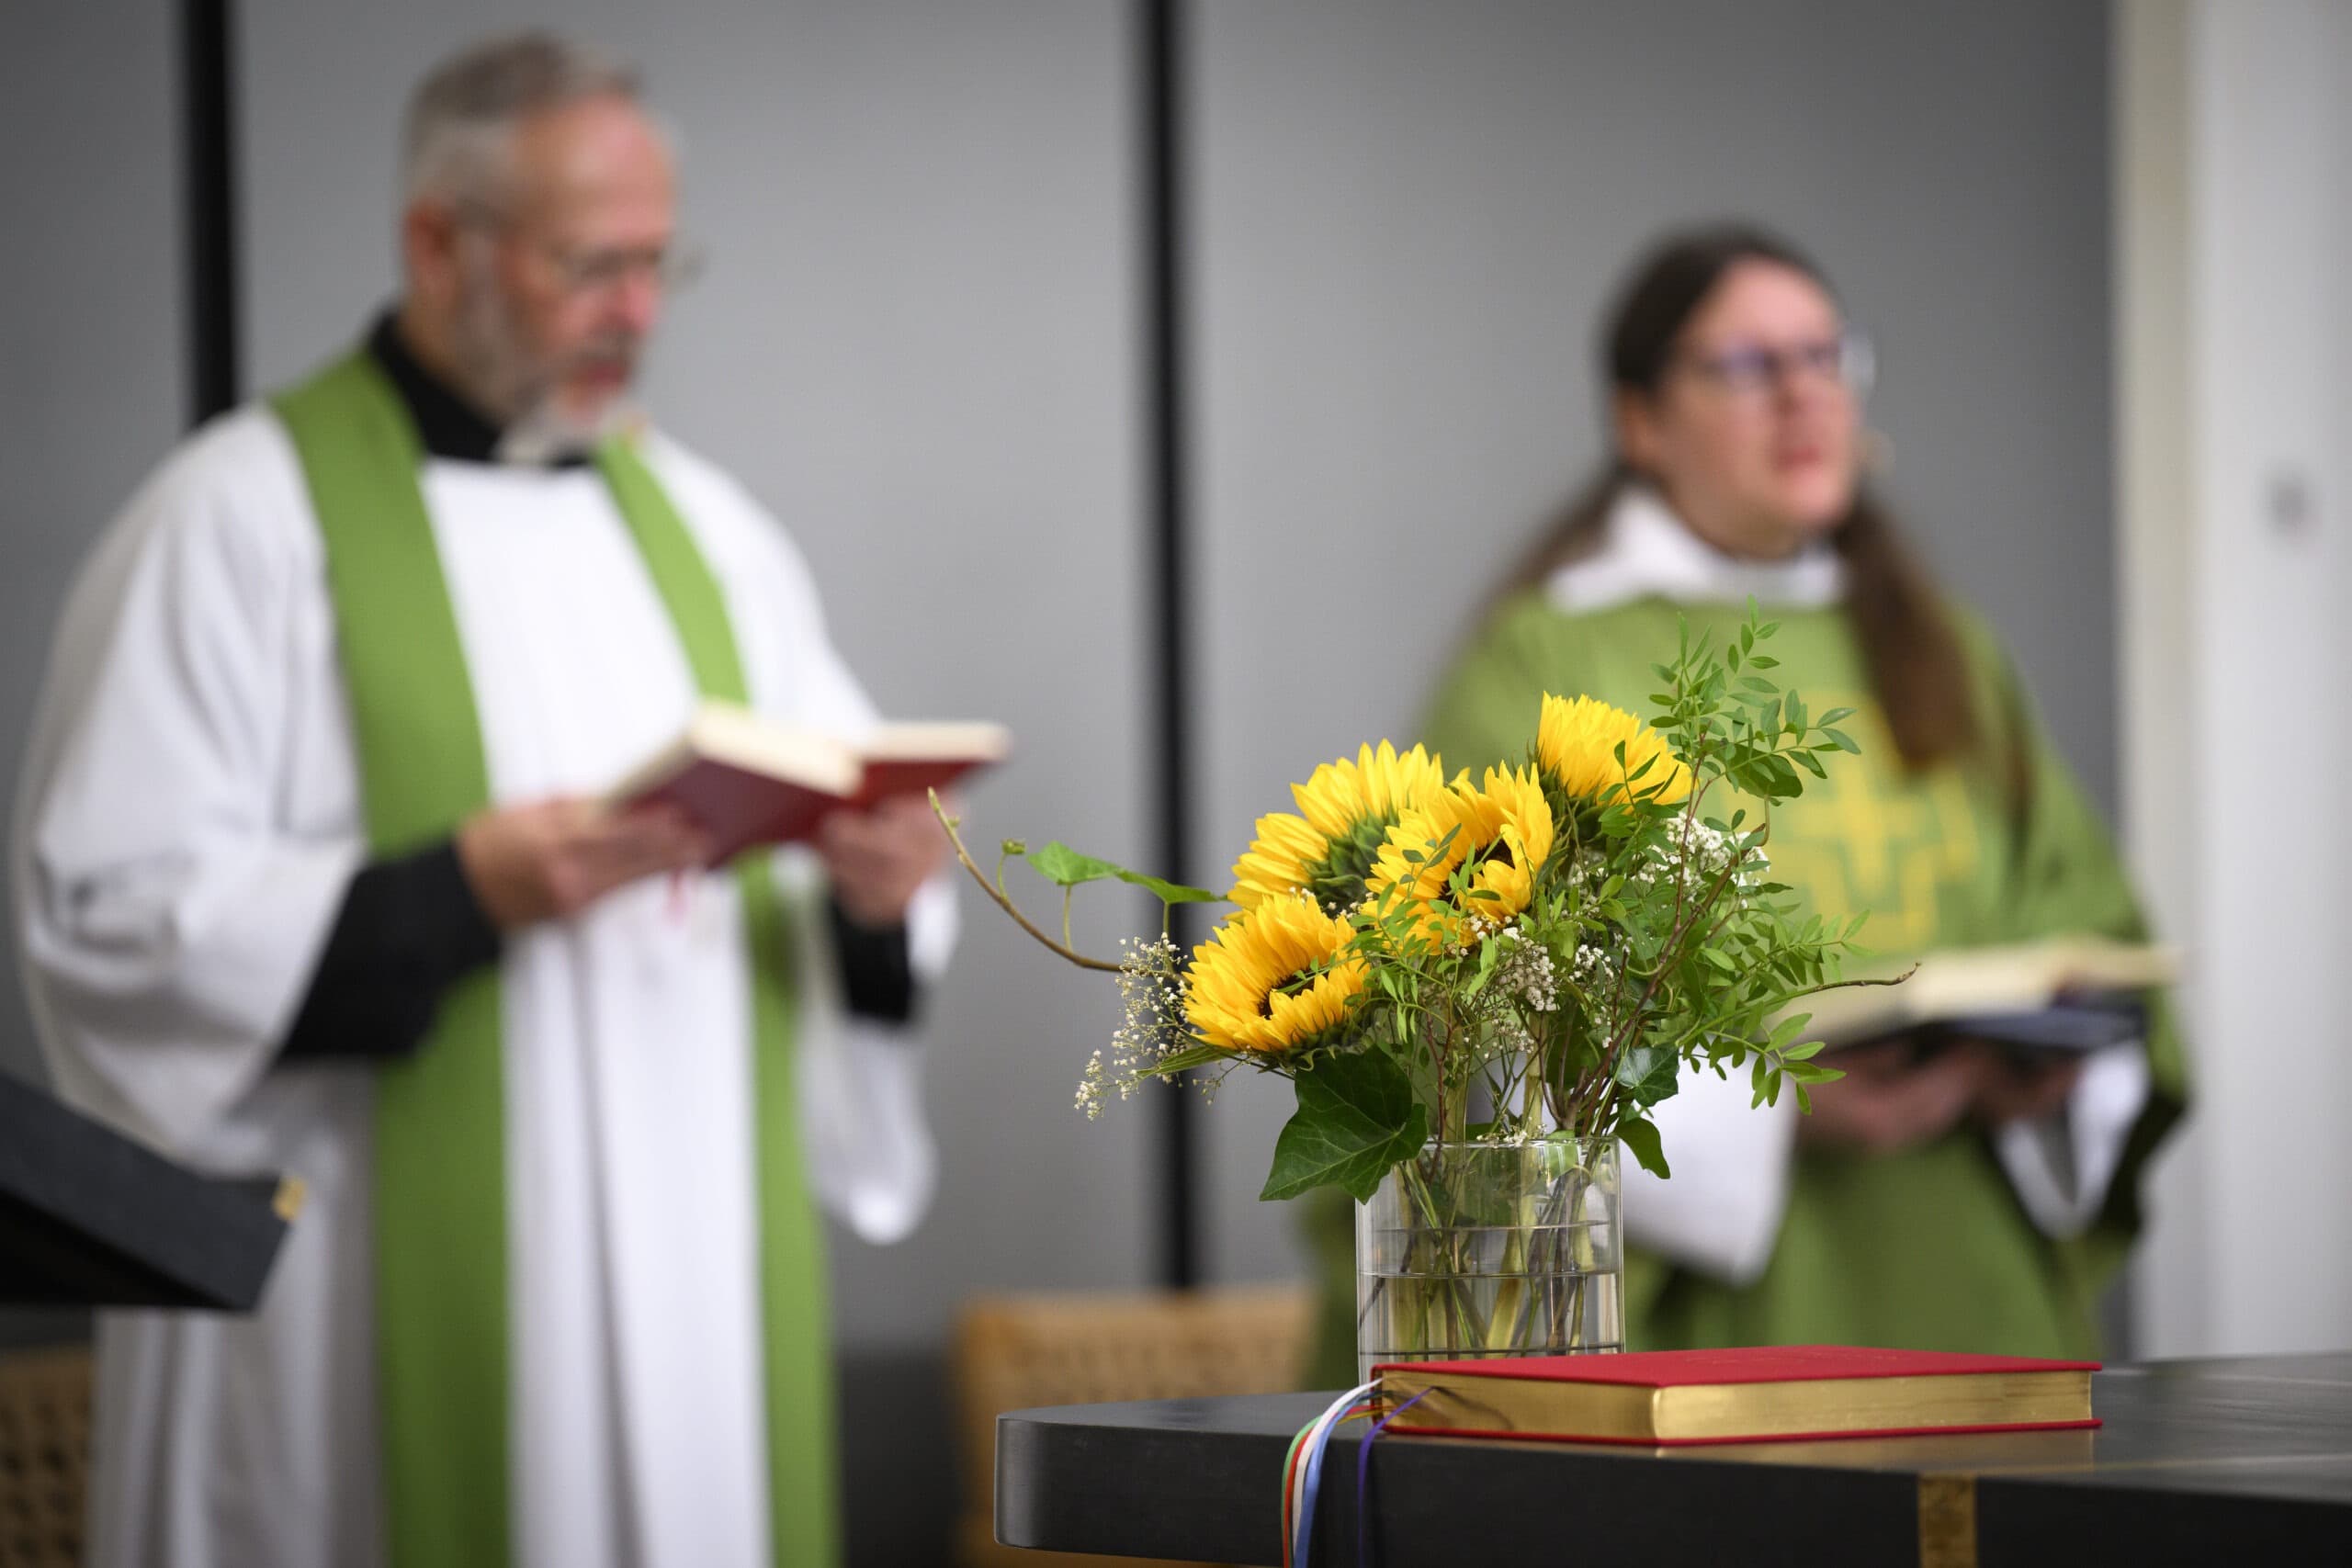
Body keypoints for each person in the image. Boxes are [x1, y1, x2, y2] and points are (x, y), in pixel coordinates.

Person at [12, 32, 956, 1568]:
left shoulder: (715, 537)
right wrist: (457, 895)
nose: (637, 313)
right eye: (592, 264)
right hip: (355, 1330)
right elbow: (109, 922)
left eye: (660, 264)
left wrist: (878, 893)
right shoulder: (234, 526)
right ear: (436, 244)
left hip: (685, 1300)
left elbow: (849, 881)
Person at [1303, 223, 2186, 1382]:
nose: (1805, 397)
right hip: (1708, 1318)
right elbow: (1458, 1006)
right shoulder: (1542, 666)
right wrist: (1775, 1111)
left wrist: (2047, 1063)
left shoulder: (1944, 654)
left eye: (1828, 358)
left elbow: (2089, 922)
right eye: (1747, 366)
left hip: (1963, 1281)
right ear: (1641, 422)